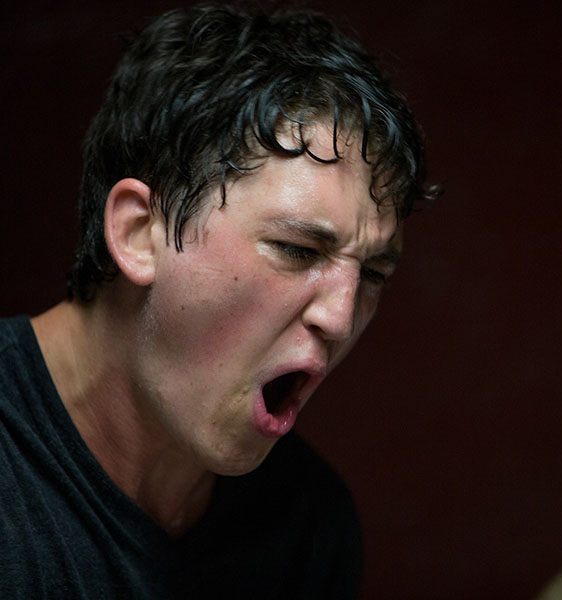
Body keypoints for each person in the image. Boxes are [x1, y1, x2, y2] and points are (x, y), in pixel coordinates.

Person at [0, 3, 436, 598]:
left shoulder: (308, 532)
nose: (340, 318)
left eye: (374, 273)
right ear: (140, 234)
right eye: (297, 249)